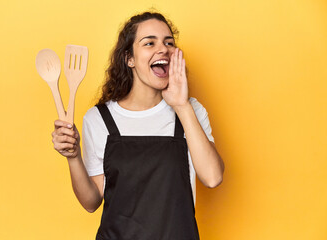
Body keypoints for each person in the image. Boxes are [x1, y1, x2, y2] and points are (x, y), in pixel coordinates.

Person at [51, 11, 224, 240]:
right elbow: (92, 202)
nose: (162, 48)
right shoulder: (100, 119)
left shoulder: (190, 110)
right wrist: (72, 157)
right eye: (149, 43)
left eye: (168, 42)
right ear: (129, 59)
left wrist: (181, 105)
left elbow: (213, 177)